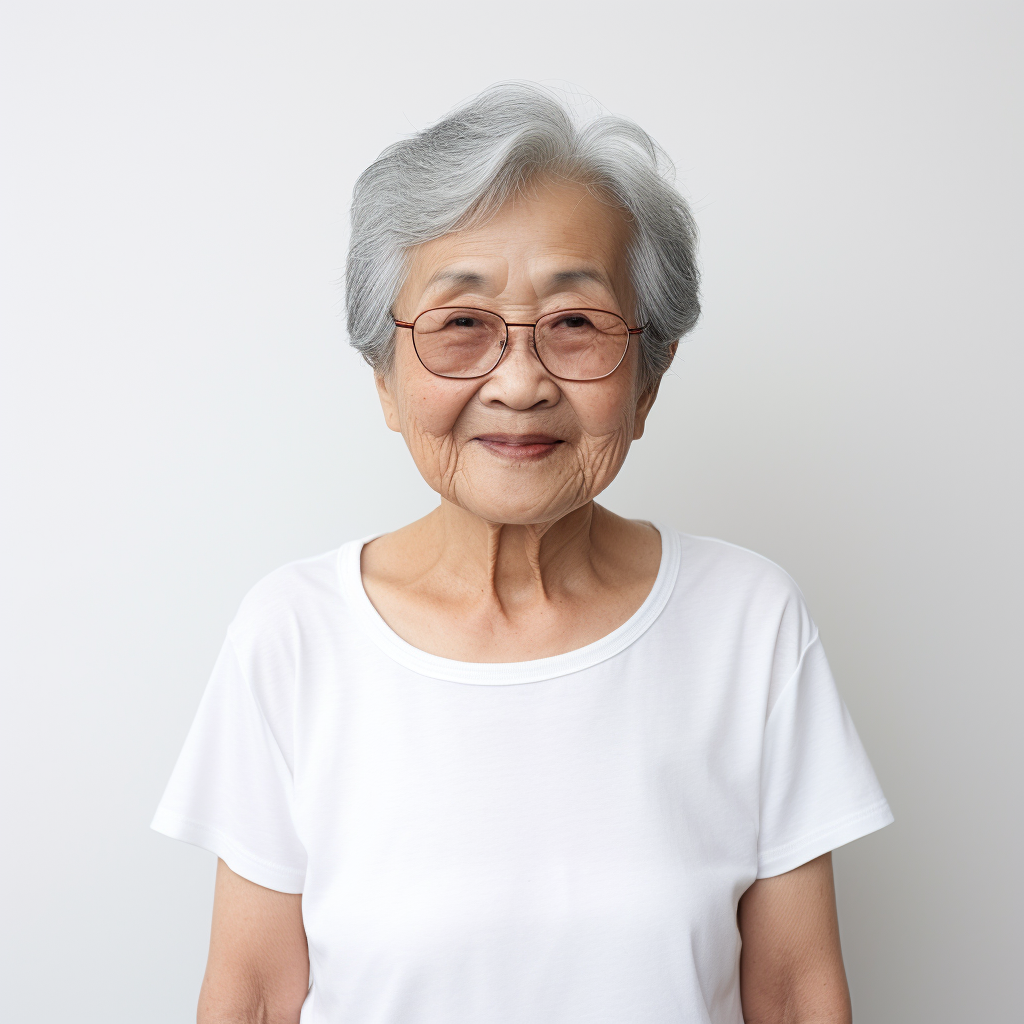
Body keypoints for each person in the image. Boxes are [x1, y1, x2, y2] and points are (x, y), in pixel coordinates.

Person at [153, 82, 892, 1024]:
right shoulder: (293, 634)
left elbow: (794, 996)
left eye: (575, 324)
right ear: (385, 377)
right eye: (461, 324)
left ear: (649, 379)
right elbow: (252, 1000)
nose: (518, 382)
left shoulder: (749, 622)